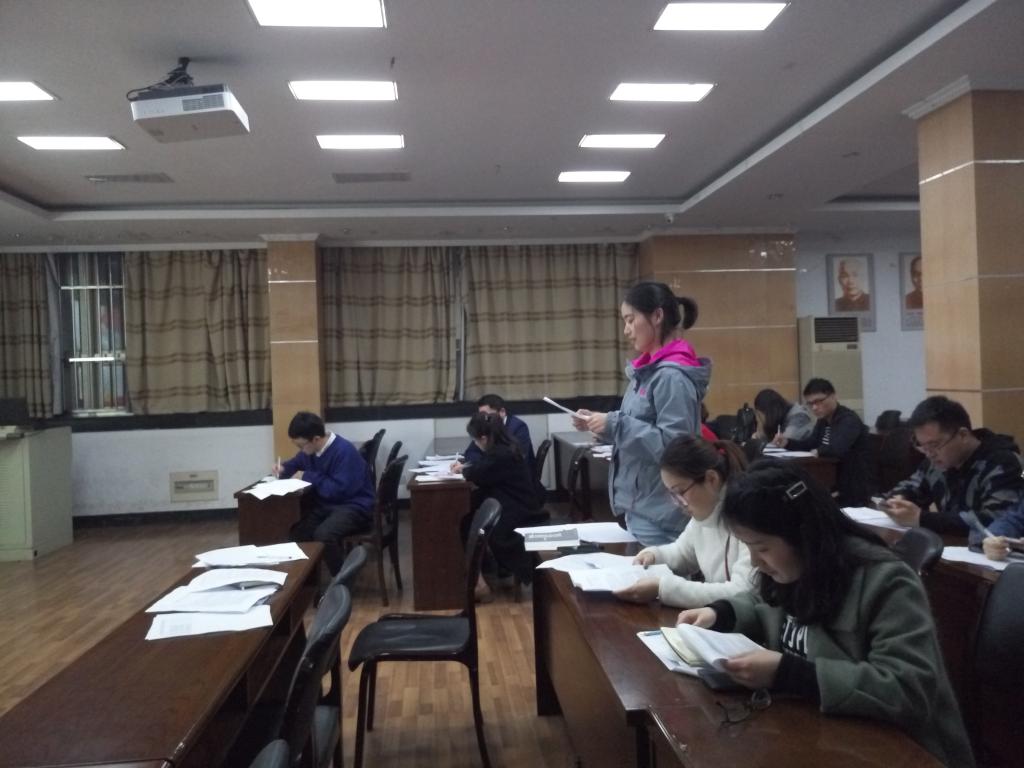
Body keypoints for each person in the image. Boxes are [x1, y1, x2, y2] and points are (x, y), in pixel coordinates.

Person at [677, 462, 974, 767]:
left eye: (762, 548)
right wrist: (721, 613)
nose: (754, 562)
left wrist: (791, 674)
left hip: (901, 750)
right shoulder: (792, 569)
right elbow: (762, 604)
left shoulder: (886, 581)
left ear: (802, 535)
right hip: (824, 734)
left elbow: (908, 689)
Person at [572, 281, 712, 546]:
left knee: (653, 573)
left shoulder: (671, 377)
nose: (626, 330)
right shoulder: (648, 372)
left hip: (661, 511)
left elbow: (676, 448)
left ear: (657, 316)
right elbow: (639, 428)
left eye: (630, 320)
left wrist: (614, 425)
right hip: (643, 506)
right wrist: (600, 425)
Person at [613, 435, 753, 608]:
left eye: (680, 492)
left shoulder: (748, 518)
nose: (678, 503)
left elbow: (742, 593)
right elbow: (682, 554)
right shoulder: (704, 513)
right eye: (672, 495)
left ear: (712, 479)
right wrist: (654, 556)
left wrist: (662, 588)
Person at [882, 396, 1024, 535]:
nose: (929, 454)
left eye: (934, 445)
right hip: (952, 545)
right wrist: (900, 499)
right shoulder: (936, 461)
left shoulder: (1004, 463)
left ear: (963, 435)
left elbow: (998, 519)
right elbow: (910, 486)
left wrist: (922, 518)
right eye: (922, 446)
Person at [454, 411, 542, 601]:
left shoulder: (501, 454)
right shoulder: (505, 447)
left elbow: (480, 473)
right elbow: (483, 468)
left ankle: (479, 583)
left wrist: (464, 470)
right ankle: (480, 578)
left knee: (472, 524)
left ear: (484, 439)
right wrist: (467, 468)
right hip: (513, 504)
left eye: (475, 440)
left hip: (519, 512)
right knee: (469, 520)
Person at [276, 411, 376, 576]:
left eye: (301, 446)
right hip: (329, 505)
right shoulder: (311, 450)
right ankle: (307, 581)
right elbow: (296, 463)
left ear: (316, 439)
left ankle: (342, 579)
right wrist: (283, 469)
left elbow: (338, 491)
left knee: (324, 535)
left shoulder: (344, 451)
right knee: (298, 534)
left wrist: (307, 476)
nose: (300, 450)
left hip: (354, 505)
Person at [773, 378, 871, 507]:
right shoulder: (823, 421)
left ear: (833, 396)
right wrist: (787, 443)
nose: (814, 407)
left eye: (818, 401)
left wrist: (819, 451)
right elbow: (810, 444)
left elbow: (837, 448)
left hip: (851, 487)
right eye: (810, 403)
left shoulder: (848, 420)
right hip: (831, 480)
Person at [463, 393, 536, 478]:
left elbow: (516, 459)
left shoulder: (518, 427)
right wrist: (474, 466)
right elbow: (471, 451)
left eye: (487, 415)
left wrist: (474, 468)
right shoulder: (485, 428)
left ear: (502, 412)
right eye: (481, 416)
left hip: (517, 478)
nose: (483, 419)